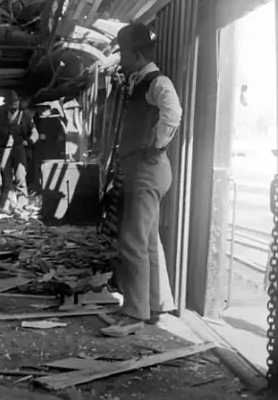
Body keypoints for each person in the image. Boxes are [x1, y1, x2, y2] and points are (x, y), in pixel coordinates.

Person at [102, 22, 182, 337]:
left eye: (123, 52)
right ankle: (156, 304)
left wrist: (157, 144)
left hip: (148, 169)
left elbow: (172, 112)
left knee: (131, 241)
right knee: (147, 240)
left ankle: (134, 313)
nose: (120, 58)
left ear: (137, 54)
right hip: (145, 170)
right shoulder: (139, 80)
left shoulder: (157, 81)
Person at [0, 90, 38, 211]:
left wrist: (29, 141)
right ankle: (4, 205)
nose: (14, 105)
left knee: (21, 177)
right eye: (11, 103)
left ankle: (22, 204)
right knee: (6, 179)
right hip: (4, 149)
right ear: (6, 104)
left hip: (19, 148)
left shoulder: (25, 117)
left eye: (16, 103)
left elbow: (34, 133)